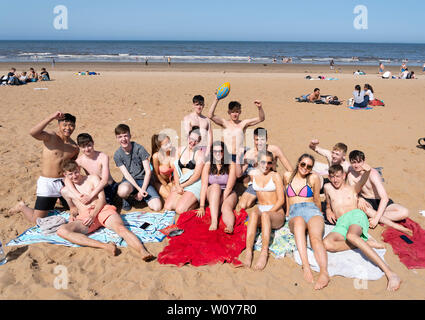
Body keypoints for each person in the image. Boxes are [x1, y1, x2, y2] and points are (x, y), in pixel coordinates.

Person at [323, 164, 401, 291]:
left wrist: (368, 170)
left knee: (351, 236)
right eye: (332, 177)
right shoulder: (327, 187)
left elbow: (363, 179)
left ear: (344, 176)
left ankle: (390, 273)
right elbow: (328, 202)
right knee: (327, 244)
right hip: (341, 222)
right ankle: (364, 242)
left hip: (355, 216)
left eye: (338, 176)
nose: (335, 180)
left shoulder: (353, 188)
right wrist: (328, 210)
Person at [58, 160, 155, 261]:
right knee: (62, 231)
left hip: (101, 210)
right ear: (65, 175)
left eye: (76, 172)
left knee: (120, 228)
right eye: (70, 174)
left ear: (79, 169)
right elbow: (73, 208)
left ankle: (142, 251)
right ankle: (106, 246)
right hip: (85, 216)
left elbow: (102, 199)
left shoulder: (92, 178)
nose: (74, 176)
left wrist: (93, 215)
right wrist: (72, 215)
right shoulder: (65, 191)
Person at [9, 112, 79, 223]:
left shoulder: (74, 147)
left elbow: (72, 166)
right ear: (59, 125)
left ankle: (57, 200)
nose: (68, 128)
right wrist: (51, 117)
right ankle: (21, 206)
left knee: (78, 209)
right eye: (65, 125)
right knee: (36, 220)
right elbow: (33, 132)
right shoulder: (51, 137)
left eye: (71, 125)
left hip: (63, 183)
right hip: (47, 183)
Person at [283, 154, 329, 290]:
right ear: (298, 163)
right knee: (298, 222)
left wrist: (320, 214)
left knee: (315, 238)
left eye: (309, 166)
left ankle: (324, 272)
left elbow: (316, 199)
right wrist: (287, 212)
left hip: (312, 210)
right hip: (295, 212)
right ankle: (306, 266)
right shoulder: (287, 176)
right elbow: (287, 196)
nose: (305, 168)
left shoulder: (313, 178)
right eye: (303, 164)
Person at [347, 150, 412, 235]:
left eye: (359, 162)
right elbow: (353, 192)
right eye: (354, 162)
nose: (356, 165)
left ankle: (375, 216)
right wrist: (360, 198)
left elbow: (384, 198)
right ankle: (394, 225)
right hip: (367, 201)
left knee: (404, 212)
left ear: (364, 161)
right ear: (350, 162)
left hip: (380, 201)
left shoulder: (373, 173)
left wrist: (376, 218)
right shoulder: (351, 175)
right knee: (362, 208)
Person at [242, 151, 285, 270]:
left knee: (265, 215)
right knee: (254, 213)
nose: (266, 165)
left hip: (276, 212)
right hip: (261, 209)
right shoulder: (254, 175)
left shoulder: (275, 176)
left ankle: (264, 253)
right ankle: (249, 252)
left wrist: (270, 212)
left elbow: (281, 200)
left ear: (272, 164)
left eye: (269, 163)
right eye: (263, 162)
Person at [237, 127, 293, 210]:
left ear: (266, 138)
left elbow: (290, 169)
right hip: (255, 185)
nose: (259, 143)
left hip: (272, 184)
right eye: (257, 140)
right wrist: (239, 157)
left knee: (280, 204)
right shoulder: (250, 154)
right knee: (243, 205)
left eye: (262, 139)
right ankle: (259, 199)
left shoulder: (274, 150)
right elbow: (239, 174)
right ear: (253, 139)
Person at [113, 124, 162, 212]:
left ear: (130, 136)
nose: (123, 139)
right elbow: (126, 175)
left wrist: (142, 189)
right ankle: (127, 198)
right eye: (120, 137)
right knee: (122, 191)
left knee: (157, 207)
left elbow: (148, 172)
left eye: (125, 136)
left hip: (144, 180)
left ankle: (141, 196)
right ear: (117, 139)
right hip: (129, 181)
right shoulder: (117, 154)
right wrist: (139, 189)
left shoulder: (139, 149)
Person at [208, 93, 265, 163]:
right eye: (232, 112)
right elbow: (210, 115)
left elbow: (261, 118)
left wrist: (260, 108)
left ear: (240, 112)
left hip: (239, 156)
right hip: (227, 156)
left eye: (237, 112)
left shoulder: (244, 123)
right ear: (229, 112)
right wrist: (216, 99)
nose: (235, 114)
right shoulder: (225, 123)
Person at [64, 133, 118, 206]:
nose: (87, 149)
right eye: (83, 147)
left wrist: (90, 196)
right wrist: (78, 195)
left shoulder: (102, 157)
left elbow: (104, 181)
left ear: (93, 143)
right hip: (93, 186)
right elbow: (66, 179)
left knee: (101, 206)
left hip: (108, 187)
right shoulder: (79, 161)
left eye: (89, 145)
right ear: (79, 147)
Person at [197, 141, 237, 232]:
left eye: (221, 151)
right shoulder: (208, 164)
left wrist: (220, 203)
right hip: (212, 192)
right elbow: (204, 185)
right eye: (215, 151)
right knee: (215, 186)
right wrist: (202, 206)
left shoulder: (231, 164)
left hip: (227, 191)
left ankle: (230, 226)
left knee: (226, 207)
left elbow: (229, 187)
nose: (218, 153)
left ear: (224, 152)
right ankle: (214, 221)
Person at [164, 126, 205, 215]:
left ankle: (195, 203)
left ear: (199, 142)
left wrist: (182, 186)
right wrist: (177, 184)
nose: (193, 142)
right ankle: (186, 199)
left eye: (196, 141)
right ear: (188, 137)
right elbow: (175, 170)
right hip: (181, 182)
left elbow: (196, 175)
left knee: (180, 210)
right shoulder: (180, 150)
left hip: (193, 184)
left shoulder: (200, 154)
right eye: (191, 139)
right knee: (168, 207)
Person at [151, 133, 176, 200]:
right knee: (169, 197)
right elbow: (157, 174)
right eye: (166, 144)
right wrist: (166, 185)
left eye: (169, 142)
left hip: (170, 181)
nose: (169, 145)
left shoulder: (173, 151)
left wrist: (173, 183)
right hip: (159, 182)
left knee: (176, 196)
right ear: (159, 147)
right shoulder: (156, 157)